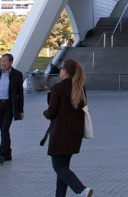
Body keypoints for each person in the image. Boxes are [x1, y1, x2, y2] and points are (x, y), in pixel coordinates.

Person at [44, 59, 94, 197]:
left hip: (60, 134)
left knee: (58, 166)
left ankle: (81, 189)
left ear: (65, 71)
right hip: (74, 135)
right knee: (64, 168)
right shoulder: (80, 88)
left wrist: (45, 113)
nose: (60, 71)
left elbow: (51, 111)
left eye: (61, 69)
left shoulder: (58, 88)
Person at [0, 53, 24, 164]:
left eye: (5, 61)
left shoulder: (17, 75)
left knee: (4, 129)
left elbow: (20, 93)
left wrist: (20, 110)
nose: (3, 63)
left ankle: (2, 153)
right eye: (2, 61)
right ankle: (8, 153)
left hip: (9, 105)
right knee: (3, 131)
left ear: (11, 62)